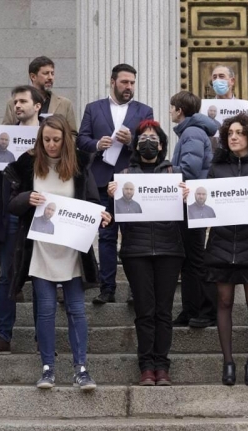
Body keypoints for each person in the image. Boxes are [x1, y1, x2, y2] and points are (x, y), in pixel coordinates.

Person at [5, 115, 111, 390]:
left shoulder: (78, 164)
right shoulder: (27, 164)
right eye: (46, 140)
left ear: (66, 139)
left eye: (56, 140)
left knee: (76, 308)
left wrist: (102, 215)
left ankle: (82, 368)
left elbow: (92, 202)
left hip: (72, 247)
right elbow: (10, 205)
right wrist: (26, 198)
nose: (51, 145)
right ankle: (48, 367)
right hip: (40, 247)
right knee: (47, 310)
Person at [186, 112, 248, 387]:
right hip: (222, 245)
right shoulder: (218, 169)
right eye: (230, 134)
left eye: (239, 132)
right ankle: (228, 362)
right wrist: (190, 198)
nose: (234, 137)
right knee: (224, 302)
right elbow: (206, 205)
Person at [108, 120, 183, 386]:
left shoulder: (177, 174)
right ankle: (146, 367)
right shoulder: (125, 175)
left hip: (169, 250)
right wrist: (112, 197)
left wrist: (188, 196)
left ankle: (162, 366)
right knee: (144, 310)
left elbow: (192, 214)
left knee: (163, 311)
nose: (148, 141)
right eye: (143, 138)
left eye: (153, 138)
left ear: (161, 145)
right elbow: (112, 216)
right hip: (135, 251)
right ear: (136, 144)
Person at [77, 63, 154, 305]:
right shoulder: (93, 108)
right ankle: (107, 288)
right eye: (124, 82)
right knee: (106, 236)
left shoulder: (144, 111)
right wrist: (97, 145)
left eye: (132, 82)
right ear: (113, 82)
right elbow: (81, 139)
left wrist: (133, 141)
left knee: (132, 238)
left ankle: (135, 289)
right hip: (100, 182)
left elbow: (153, 143)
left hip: (131, 182)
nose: (129, 86)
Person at [0, 84, 44, 356]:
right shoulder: (2, 137)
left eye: (23, 101)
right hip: (11, 217)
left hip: (41, 217)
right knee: (6, 278)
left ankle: (44, 338)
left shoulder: (50, 135)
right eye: (15, 102)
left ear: (37, 106)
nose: (17, 106)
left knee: (42, 279)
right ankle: (2, 336)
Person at [168, 91, 219, 328]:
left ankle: (204, 310)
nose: (170, 111)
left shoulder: (192, 133)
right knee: (189, 259)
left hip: (192, 204)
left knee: (195, 259)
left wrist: (164, 170)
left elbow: (189, 168)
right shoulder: (191, 132)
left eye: (171, 107)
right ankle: (191, 310)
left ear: (179, 110)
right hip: (189, 203)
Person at [2, 56, 78, 134]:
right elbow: (5, 132)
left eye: (52, 73)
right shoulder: (13, 103)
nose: (50, 77)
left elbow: (73, 135)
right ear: (33, 76)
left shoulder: (65, 104)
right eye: (46, 73)